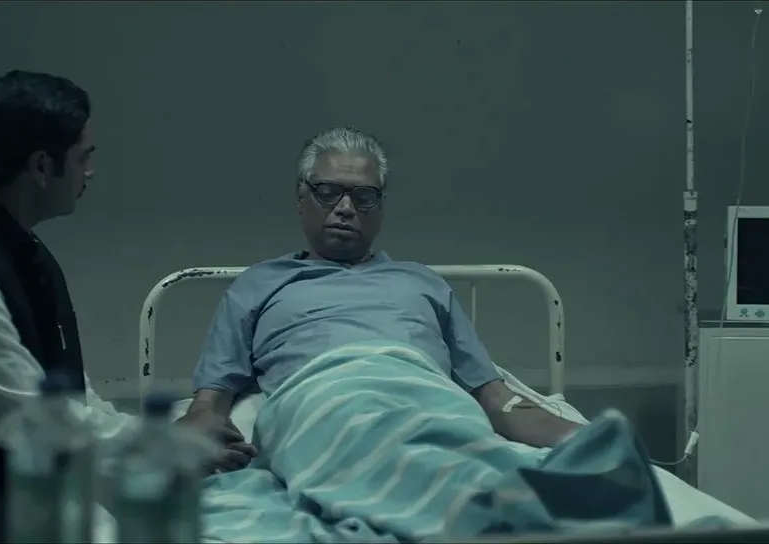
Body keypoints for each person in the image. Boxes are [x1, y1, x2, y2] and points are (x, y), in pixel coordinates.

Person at [0, 70, 249, 543]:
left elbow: (68, 396)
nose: (90, 172)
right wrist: (169, 445)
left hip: (2, 483)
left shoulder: (22, 253)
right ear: (41, 166)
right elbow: (38, 419)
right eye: (83, 157)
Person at [183, 126, 581, 473]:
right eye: (328, 192)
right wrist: (195, 436)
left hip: (427, 405)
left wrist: (584, 440)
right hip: (319, 405)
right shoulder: (257, 284)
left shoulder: (423, 283)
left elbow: (497, 399)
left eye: (364, 196)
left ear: (381, 207)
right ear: (301, 198)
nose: (345, 208)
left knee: (466, 455)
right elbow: (208, 405)